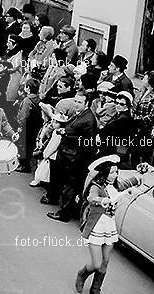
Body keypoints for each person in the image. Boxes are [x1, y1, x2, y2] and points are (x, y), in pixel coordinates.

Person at [74, 155, 154, 294]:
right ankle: (82, 274)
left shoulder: (116, 185)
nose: (115, 175)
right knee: (97, 263)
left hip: (109, 227)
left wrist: (143, 173)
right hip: (96, 227)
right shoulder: (96, 186)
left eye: (116, 172)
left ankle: (95, 289)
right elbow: (91, 198)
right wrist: (102, 200)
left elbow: (130, 182)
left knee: (105, 262)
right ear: (104, 173)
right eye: (112, 172)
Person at [48, 92, 99, 222]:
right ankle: (65, 210)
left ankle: (64, 213)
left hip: (75, 159)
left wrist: (66, 134)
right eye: (75, 101)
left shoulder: (88, 119)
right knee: (68, 185)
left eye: (79, 102)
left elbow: (86, 143)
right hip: (70, 156)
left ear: (86, 103)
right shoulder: (80, 115)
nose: (76, 104)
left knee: (70, 187)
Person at [16, 78, 43, 173]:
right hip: (36, 126)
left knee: (23, 146)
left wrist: (20, 126)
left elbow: (23, 116)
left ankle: (24, 166)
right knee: (31, 145)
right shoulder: (38, 98)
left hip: (27, 126)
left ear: (28, 88)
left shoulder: (27, 101)